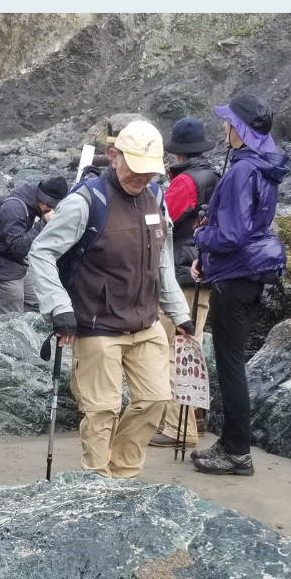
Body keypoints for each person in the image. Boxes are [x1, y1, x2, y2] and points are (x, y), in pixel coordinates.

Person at [26, 119, 193, 480]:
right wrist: (59, 307)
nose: (141, 178)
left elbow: (163, 262)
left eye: (149, 172)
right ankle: (97, 481)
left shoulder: (156, 198)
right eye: (135, 169)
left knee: (156, 400)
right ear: (115, 157)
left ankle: (122, 474)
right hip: (96, 324)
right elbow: (41, 253)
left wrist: (180, 314)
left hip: (145, 322)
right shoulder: (87, 201)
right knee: (102, 410)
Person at [189, 94, 289, 478]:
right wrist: (208, 257)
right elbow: (247, 230)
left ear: (240, 129)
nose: (223, 127)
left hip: (236, 279)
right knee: (234, 362)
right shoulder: (264, 167)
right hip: (248, 274)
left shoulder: (242, 171)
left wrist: (201, 238)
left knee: (230, 365)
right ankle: (232, 445)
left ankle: (235, 451)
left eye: (228, 122)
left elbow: (230, 236)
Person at [152, 117, 220, 448]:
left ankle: (177, 428)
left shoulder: (185, 183)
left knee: (170, 351)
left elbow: (159, 225)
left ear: (177, 152)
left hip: (180, 277)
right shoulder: (214, 177)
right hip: (203, 275)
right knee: (192, 349)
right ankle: (194, 418)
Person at [0, 177, 44, 316]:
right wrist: (42, 224)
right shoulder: (13, 209)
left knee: (38, 304)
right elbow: (19, 248)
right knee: (12, 315)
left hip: (14, 265)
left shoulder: (29, 206)